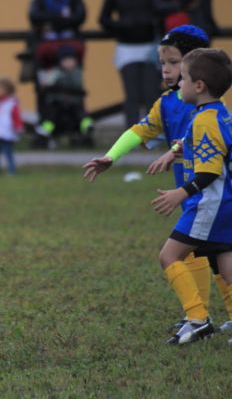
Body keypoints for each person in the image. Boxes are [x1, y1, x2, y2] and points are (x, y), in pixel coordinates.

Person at [83, 26, 232, 341]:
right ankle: (198, 314)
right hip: (200, 194)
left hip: (206, 192)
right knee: (213, 252)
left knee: (206, 253)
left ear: (194, 69)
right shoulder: (166, 103)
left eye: (174, 62)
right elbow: (140, 132)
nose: (166, 69)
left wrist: (175, 158)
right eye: (162, 62)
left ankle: (200, 317)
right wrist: (112, 156)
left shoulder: (205, 103)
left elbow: (210, 141)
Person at [152, 48, 232, 344]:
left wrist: (180, 193)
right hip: (226, 203)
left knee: (169, 255)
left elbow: (210, 172)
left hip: (208, 204)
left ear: (199, 86)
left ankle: (197, 318)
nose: (179, 84)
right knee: (224, 264)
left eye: (183, 78)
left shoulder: (203, 121)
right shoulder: (221, 115)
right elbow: (223, 154)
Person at [99, 0, 163, 127]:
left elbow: (163, 10)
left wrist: (152, 23)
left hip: (149, 46)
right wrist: (121, 27)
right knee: (132, 95)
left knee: (151, 93)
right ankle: (132, 134)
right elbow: (103, 19)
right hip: (126, 47)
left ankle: (152, 134)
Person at [36, 45, 94, 147]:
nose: (69, 63)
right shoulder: (55, 72)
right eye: (66, 60)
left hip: (74, 103)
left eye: (71, 60)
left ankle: (87, 129)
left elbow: (79, 87)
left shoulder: (77, 72)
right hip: (57, 103)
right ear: (60, 61)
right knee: (51, 116)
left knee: (82, 115)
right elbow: (46, 84)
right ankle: (43, 133)